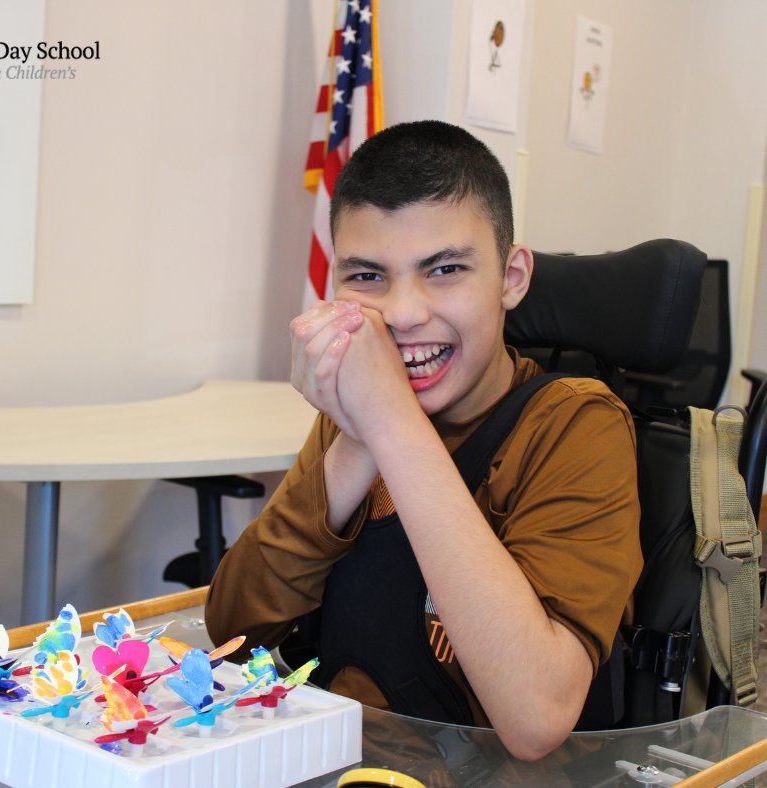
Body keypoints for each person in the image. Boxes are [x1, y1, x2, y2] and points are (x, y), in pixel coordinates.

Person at [205, 120, 641, 761]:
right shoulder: (359, 404)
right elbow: (233, 633)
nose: (405, 314)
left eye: (445, 269)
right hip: (345, 758)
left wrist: (389, 424)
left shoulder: (576, 426)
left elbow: (535, 716)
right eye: (367, 277)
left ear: (511, 277)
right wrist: (356, 439)